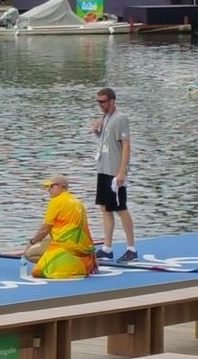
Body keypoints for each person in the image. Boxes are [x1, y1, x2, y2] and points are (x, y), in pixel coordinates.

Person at [91, 87, 135, 261]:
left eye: (103, 101)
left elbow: (126, 146)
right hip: (103, 168)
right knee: (104, 208)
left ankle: (131, 249)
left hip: (114, 172)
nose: (100, 105)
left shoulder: (120, 118)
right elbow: (107, 141)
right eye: (98, 102)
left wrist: (122, 171)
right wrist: (97, 132)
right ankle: (107, 248)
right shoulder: (106, 117)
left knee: (120, 208)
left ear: (112, 101)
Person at [24, 174, 97, 278]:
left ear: (61, 186)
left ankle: (60, 264)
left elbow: (44, 230)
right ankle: (69, 261)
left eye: (51, 186)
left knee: (30, 254)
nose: (48, 190)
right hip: (82, 249)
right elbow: (86, 231)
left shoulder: (56, 201)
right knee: (51, 239)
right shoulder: (78, 202)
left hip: (66, 246)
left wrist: (31, 242)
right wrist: (93, 255)